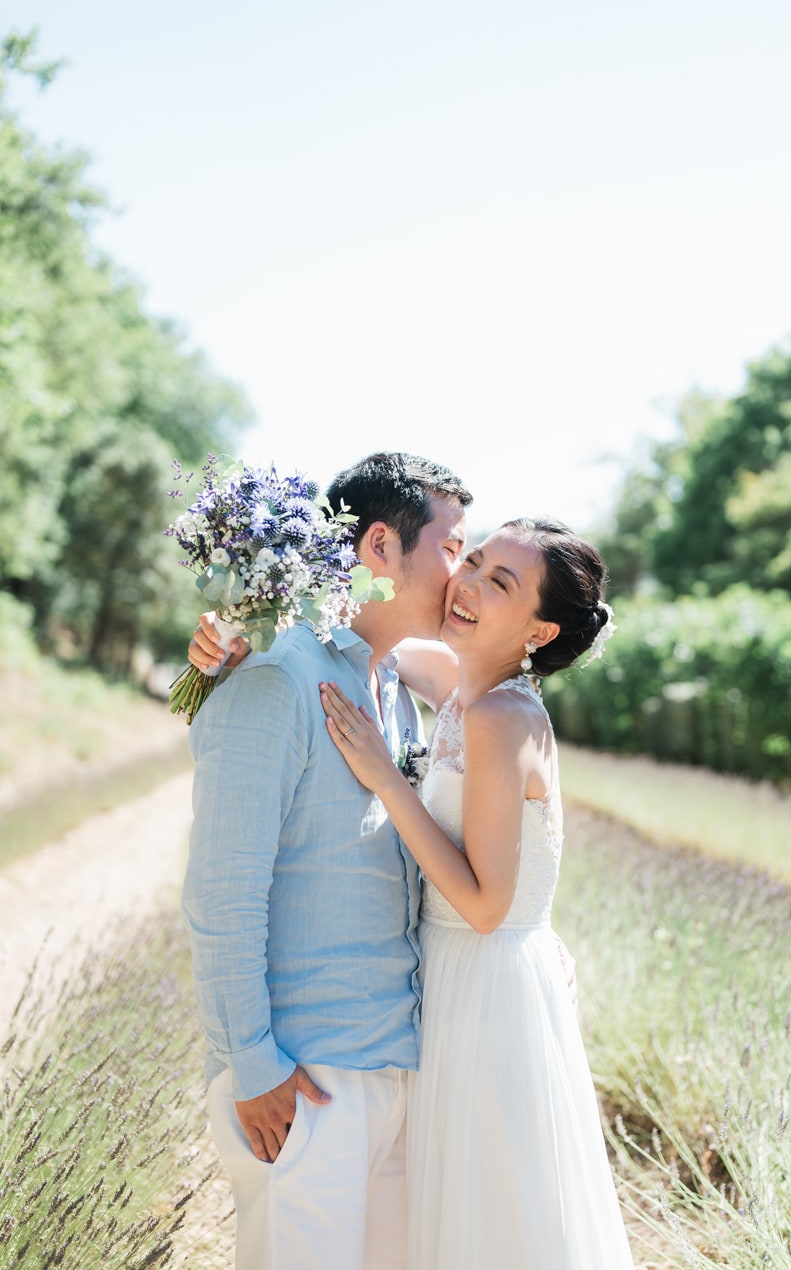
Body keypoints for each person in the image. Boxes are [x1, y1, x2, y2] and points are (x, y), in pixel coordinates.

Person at [317, 517, 635, 1269]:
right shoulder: (466, 685)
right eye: (476, 560)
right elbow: (372, 637)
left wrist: (387, 780)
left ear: (538, 629)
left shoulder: (500, 717)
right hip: (460, 973)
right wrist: (236, 638)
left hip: (483, 984)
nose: (469, 584)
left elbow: (489, 907)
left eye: (502, 583)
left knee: (493, 1214)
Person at [181, 451, 472, 1270]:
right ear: (379, 545)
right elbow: (221, 894)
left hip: (393, 1070)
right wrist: (256, 1065)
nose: (462, 573)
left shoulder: (397, 699)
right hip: (303, 1084)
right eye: (452, 546)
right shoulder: (277, 678)